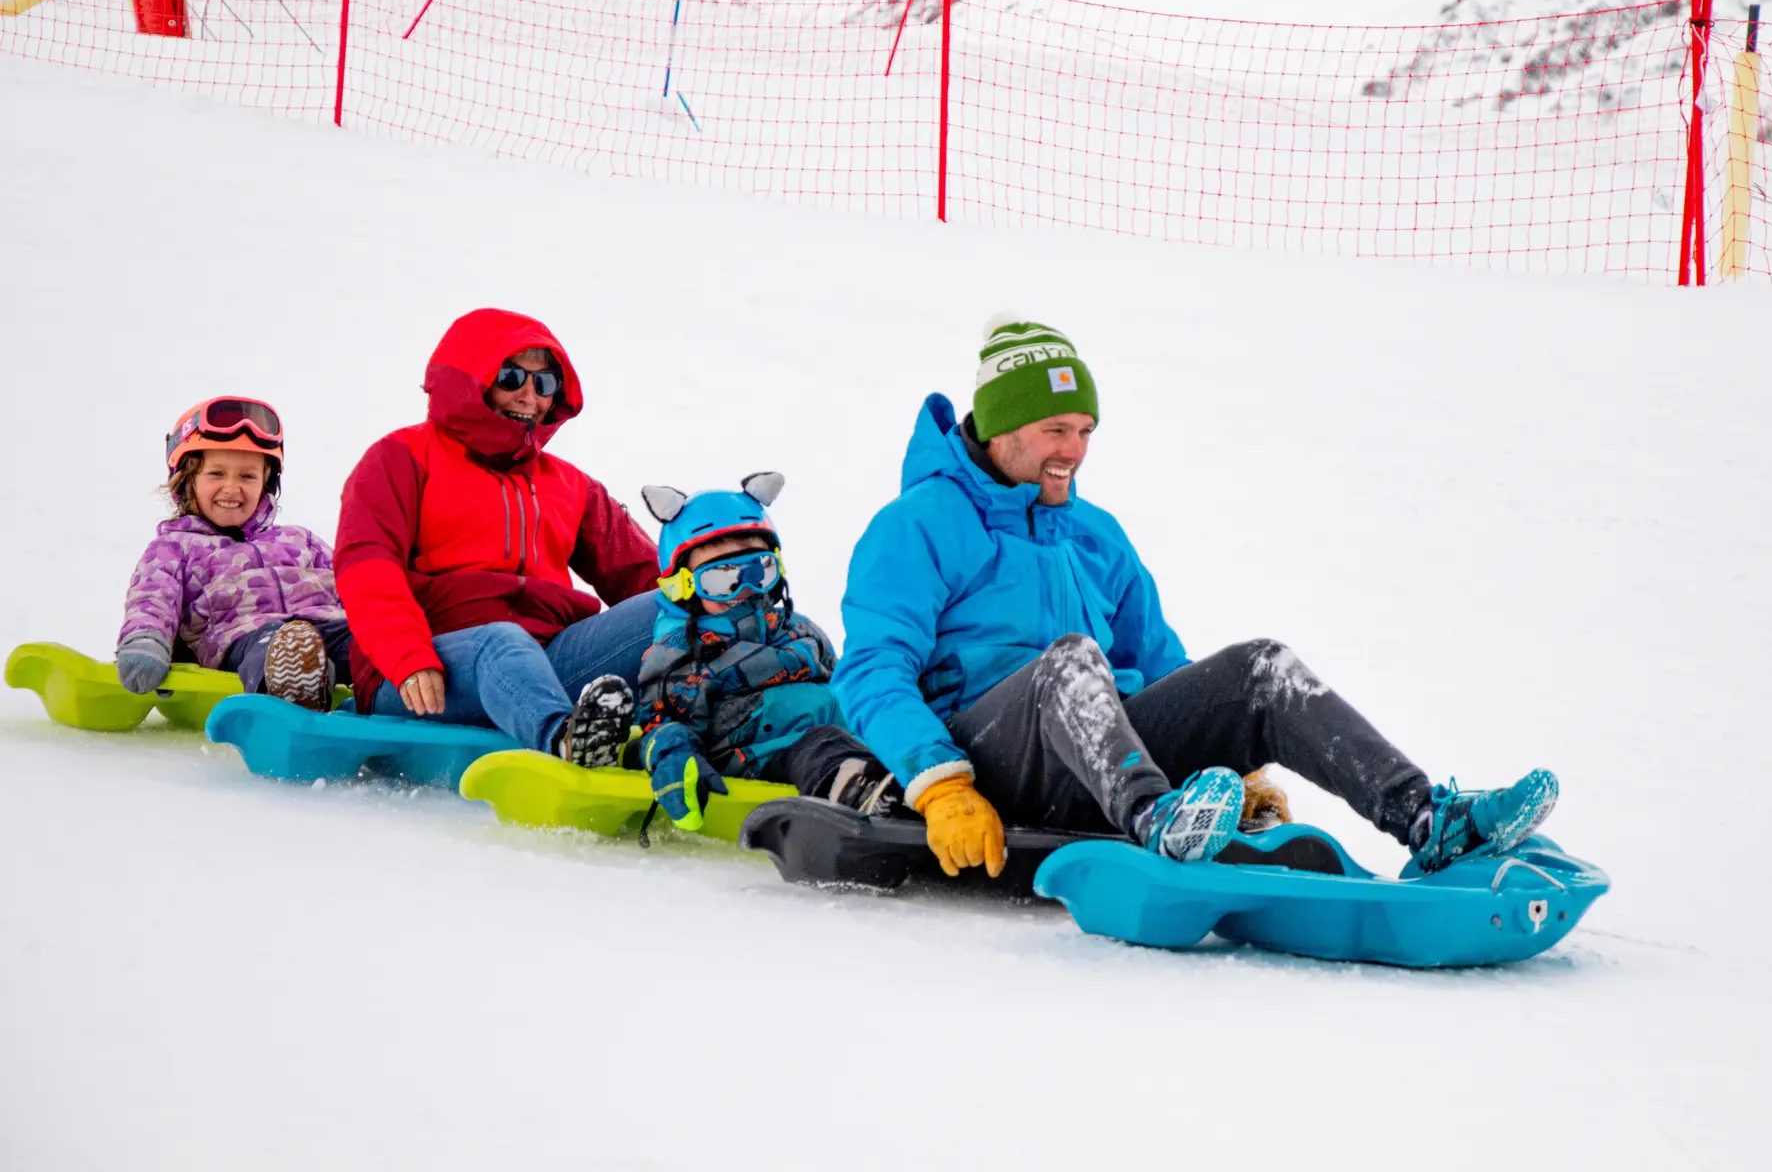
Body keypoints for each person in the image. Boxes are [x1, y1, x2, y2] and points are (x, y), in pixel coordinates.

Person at [833, 317, 1559, 877]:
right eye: (1055, 428)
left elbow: (1160, 663)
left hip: (1101, 757)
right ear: (998, 427)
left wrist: (1235, 764)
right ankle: (1158, 820)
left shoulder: (1093, 534)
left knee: (1259, 668)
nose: (1074, 449)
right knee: (1071, 661)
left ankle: (1427, 819)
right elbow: (872, 671)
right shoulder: (917, 526)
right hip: (991, 765)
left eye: (1085, 430)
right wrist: (940, 785)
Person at [333, 307, 663, 760]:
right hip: (426, 675)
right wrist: (407, 657)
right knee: (501, 640)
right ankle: (567, 741)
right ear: (470, 379)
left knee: (678, 605)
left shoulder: (571, 486)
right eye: (511, 376)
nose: (530, 395)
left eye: (544, 383)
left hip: (546, 666)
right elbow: (367, 567)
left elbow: (647, 574)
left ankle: (744, 731)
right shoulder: (400, 458)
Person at [609, 473, 889, 828]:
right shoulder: (683, 650)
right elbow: (665, 722)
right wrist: (673, 756)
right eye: (720, 578)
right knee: (821, 744)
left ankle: (915, 778)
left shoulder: (801, 629)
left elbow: (846, 686)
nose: (743, 587)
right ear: (686, 586)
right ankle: (869, 797)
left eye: (759, 570)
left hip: (843, 744)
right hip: (760, 760)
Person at [116, 397, 350, 710]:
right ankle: (294, 694)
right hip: (245, 638)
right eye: (216, 474)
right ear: (186, 481)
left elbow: (355, 585)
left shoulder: (301, 539)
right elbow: (152, 599)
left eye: (247, 476)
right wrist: (147, 643)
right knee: (273, 646)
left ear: (266, 483)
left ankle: (401, 689)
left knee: (367, 640)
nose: (231, 488)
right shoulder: (174, 549)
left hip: (329, 628)